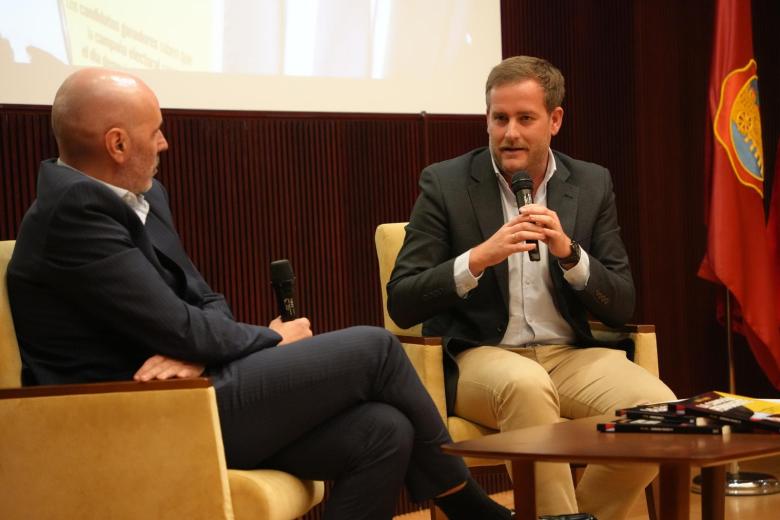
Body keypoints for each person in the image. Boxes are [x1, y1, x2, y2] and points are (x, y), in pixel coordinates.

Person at [6, 67, 513, 520]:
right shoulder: (72, 214)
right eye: (155, 131)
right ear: (117, 145)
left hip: (190, 391)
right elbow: (183, 327)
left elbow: (205, 304)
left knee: (384, 431)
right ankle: (470, 508)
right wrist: (272, 339)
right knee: (376, 349)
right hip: (132, 416)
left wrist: (197, 351)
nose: (164, 143)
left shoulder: (141, 195)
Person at [387, 56, 677, 520]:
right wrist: (478, 258)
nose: (510, 134)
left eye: (525, 119)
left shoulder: (591, 182)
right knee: (527, 385)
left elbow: (622, 303)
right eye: (499, 119)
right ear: (486, 118)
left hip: (568, 355)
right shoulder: (445, 183)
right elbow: (402, 300)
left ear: (555, 120)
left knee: (659, 409)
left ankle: (577, 516)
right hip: (482, 356)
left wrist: (570, 253)